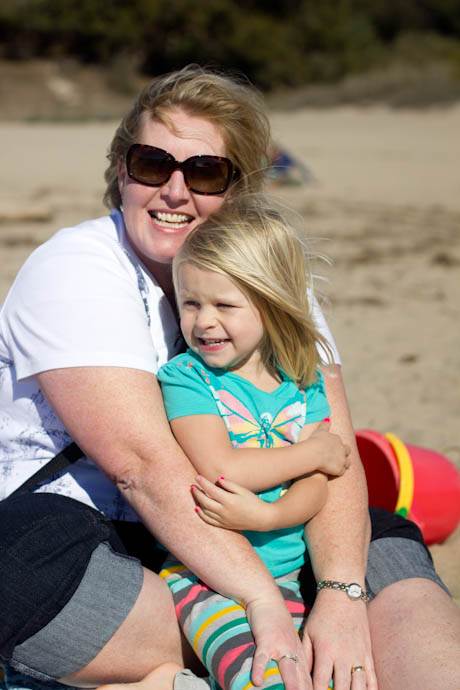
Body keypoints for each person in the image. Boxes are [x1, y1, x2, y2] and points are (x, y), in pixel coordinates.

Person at [0, 64, 458, 690]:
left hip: (257, 518)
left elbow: (332, 452)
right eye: (153, 164)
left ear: (239, 190)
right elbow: (143, 470)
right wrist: (263, 600)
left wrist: (343, 594)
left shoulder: (269, 277)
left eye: (206, 172)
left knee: (380, 540)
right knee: (23, 559)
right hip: (103, 529)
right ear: (123, 171)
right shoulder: (77, 269)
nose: (174, 191)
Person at [156, 199, 350, 690]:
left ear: (272, 302)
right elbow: (222, 466)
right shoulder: (187, 379)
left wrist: (268, 517)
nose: (203, 322)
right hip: (208, 579)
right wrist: (311, 453)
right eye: (190, 304)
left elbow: (316, 488)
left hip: (288, 576)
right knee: (265, 679)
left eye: (224, 305)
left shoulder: (303, 383)